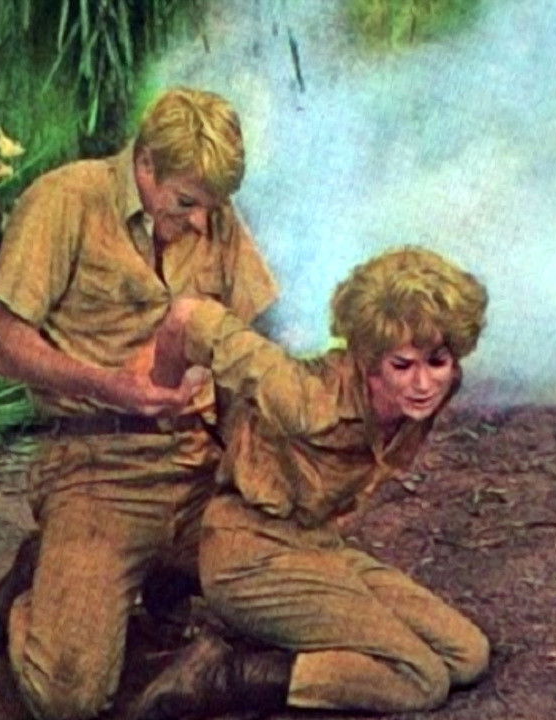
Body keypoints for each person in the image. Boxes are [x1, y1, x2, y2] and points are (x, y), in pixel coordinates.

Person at [0, 87, 279, 720]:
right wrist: (105, 384)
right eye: (185, 203)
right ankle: (34, 591)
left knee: (299, 589)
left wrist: (250, 456)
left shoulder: (210, 211)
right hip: (98, 467)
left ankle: (166, 576)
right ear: (145, 165)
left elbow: (254, 332)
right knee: (70, 697)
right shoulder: (66, 201)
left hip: (197, 462)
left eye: (213, 207)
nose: (201, 222)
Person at [130, 246, 491, 719]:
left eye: (437, 362)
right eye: (402, 366)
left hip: (315, 546)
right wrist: (165, 400)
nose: (423, 384)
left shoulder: (430, 392)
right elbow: (189, 316)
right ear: (367, 359)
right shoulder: (307, 398)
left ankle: (229, 612)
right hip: (249, 556)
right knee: (419, 678)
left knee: (466, 655)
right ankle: (225, 674)